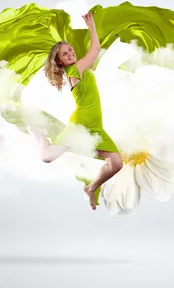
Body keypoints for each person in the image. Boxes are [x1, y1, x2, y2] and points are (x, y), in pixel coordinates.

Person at [27, 12, 124, 210]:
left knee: (115, 163)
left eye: (70, 49)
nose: (70, 52)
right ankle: (37, 134)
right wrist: (92, 26)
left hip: (95, 126)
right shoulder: (75, 69)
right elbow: (95, 49)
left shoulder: (80, 69)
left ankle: (91, 187)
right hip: (80, 124)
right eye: (65, 53)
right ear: (61, 62)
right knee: (46, 157)